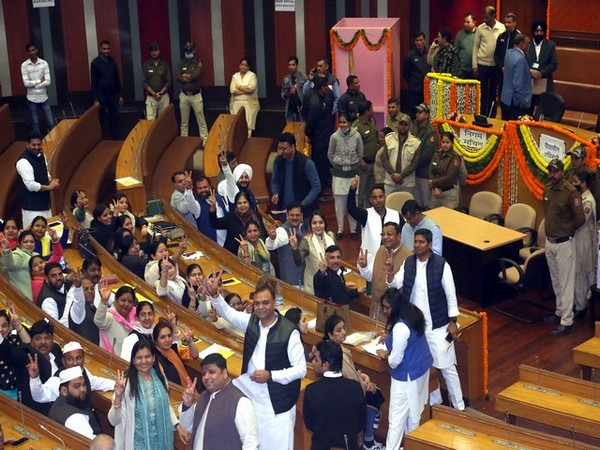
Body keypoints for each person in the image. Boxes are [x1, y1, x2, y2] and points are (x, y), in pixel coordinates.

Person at [207, 274, 306, 450]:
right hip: (252, 395)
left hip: (278, 403)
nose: (261, 307)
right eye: (257, 303)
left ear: (274, 303)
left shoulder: (289, 332)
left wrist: (271, 375)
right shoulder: (252, 321)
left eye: (265, 303)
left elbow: (300, 369)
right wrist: (215, 295)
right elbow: (230, 314)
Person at [387, 229, 465, 411]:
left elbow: (451, 294)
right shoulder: (409, 263)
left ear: (430, 245)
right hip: (416, 327)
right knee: (424, 367)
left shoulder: (441, 265)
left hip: (439, 326)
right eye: (415, 241)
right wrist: (390, 272)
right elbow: (395, 284)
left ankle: (459, 407)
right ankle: (435, 404)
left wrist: (453, 321)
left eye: (421, 242)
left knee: (447, 367)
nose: (417, 245)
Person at [379, 288, 433, 449]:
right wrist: (390, 339)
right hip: (421, 371)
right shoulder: (412, 313)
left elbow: (395, 361)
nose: (384, 311)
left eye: (387, 307)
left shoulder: (400, 328)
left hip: (406, 377)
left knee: (396, 420)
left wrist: (386, 355)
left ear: (395, 306)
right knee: (413, 416)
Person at [108, 339, 185, 449]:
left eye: (147, 356)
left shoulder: (160, 377)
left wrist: (178, 426)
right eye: (139, 357)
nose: (144, 361)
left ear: (153, 358)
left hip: (161, 442)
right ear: (133, 360)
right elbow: (113, 421)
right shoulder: (127, 385)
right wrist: (118, 397)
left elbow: (166, 407)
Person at [320, 315, 383, 450]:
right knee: (375, 394)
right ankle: (368, 441)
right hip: (345, 393)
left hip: (348, 386)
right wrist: (365, 385)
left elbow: (352, 371)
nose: (343, 332)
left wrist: (362, 375)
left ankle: (368, 439)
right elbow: (350, 378)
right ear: (330, 335)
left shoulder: (336, 347)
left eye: (343, 328)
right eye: (338, 330)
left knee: (374, 391)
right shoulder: (337, 353)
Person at [179, 353, 259, 449]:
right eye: (203, 374)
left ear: (224, 373)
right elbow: (187, 428)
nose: (206, 377)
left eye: (211, 372)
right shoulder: (203, 396)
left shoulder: (241, 402)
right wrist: (187, 405)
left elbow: (250, 443)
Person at [543, 158, 585, 335]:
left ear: (562, 172)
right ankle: (559, 311)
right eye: (550, 171)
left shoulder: (570, 193)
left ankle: (567, 321)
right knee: (556, 280)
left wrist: (568, 231)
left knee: (566, 283)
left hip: (564, 243)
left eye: (555, 171)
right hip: (550, 242)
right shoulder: (547, 189)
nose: (552, 174)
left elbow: (580, 219)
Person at [303, 340, 365, 450]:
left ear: (325, 365)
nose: (312, 362)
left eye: (316, 359)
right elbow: (361, 423)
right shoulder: (355, 387)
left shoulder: (312, 391)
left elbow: (310, 424)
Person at [0, 319, 62, 415]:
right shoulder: (27, 356)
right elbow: (11, 353)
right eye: (38, 339)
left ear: (53, 339)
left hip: (60, 407)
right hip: (34, 414)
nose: (43, 342)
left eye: (47, 338)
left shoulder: (56, 351)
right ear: (31, 341)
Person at [29, 340, 114, 408]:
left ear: (83, 359)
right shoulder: (57, 380)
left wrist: (116, 385)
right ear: (63, 361)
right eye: (70, 359)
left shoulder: (82, 372)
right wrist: (35, 378)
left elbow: (96, 382)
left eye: (78, 358)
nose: (75, 363)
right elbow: (40, 396)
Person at [358, 222, 412, 317]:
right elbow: (372, 277)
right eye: (383, 234)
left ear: (399, 236)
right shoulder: (381, 250)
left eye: (389, 234)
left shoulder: (408, 256)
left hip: (393, 312)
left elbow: (396, 285)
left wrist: (390, 271)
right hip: (375, 308)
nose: (385, 237)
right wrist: (364, 267)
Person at [347, 179, 403, 269]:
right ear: (370, 200)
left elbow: (403, 236)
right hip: (370, 262)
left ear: (385, 197)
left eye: (380, 197)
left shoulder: (396, 215)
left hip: (394, 259)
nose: (378, 200)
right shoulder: (365, 215)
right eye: (375, 198)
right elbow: (351, 208)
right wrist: (352, 189)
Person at [328, 113, 363, 240]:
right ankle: (340, 228)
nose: (342, 125)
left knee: (353, 201)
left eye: (344, 122)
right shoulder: (334, 137)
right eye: (340, 122)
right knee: (339, 203)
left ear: (350, 123)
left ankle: (353, 229)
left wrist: (353, 165)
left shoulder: (357, 136)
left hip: (353, 174)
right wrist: (338, 166)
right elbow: (330, 154)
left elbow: (360, 153)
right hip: (339, 175)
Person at [270, 133, 321, 216]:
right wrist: (275, 193)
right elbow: (275, 181)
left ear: (293, 147)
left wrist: (303, 204)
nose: (281, 151)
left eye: (284, 149)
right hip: (284, 211)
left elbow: (316, 187)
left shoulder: (306, 163)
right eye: (279, 148)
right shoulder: (278, 161)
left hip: (304, 212)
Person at [16, 131, 59, 227]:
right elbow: (31, 185)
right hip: (31, 209)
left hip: (45, 205)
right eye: (33, 145)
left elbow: (46, 172)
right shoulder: (23, 162)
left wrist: (51, 180)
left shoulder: (42, 156)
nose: (36, 147)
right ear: (27, 144)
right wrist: (50, 187)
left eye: (39, 144)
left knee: (48, 232)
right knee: (33, 233)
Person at [49, 366, 101, 439]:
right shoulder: (76, 418)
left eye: (84, 385)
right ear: (64, 391)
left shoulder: (59, 402)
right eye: (77, 386)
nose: (82, 389)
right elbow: (92, 443)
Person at [303, 76, 335, 198]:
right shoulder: (315, 102)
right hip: (319, 137)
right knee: (319, 166)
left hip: (322, 135)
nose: (328, 88)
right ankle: (318, 192)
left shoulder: (311, 93)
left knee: (321, 164)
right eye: (326, 86)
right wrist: (312, 135)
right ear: (322, 88)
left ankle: (321, 189)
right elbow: (311, 123)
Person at [291, 210, 336, 294]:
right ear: (310, 225)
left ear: (325, 223)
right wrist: (295, 248)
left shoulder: (331, 236)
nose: (318, 226)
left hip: (331, 282)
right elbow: (298, 262)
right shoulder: (306, 240)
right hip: (313, 286)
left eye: (320, 222)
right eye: (314, 223)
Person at [572, 170, 597, 318]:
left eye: (576, 181)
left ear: (583, 183)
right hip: (578, 238)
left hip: (583, 240)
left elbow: (580, 221)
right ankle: (579, 302)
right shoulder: (580, 197)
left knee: (580, 272)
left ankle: (581, 306)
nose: (573, 184)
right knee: (577, 272)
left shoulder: (588, 200)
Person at [472, 6, 506, 117]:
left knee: (493, 93)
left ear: (493, 16)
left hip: (496, 66)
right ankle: (482, 115)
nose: (484, 20)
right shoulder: (480, 28)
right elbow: (475, 47)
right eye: (484, 17)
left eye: (487, 18)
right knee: (482, 93)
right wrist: (474, 65)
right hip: (482, 65)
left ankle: (492, 116)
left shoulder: (502, 28)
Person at [209, 190, 265, 255]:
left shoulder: (256, 216)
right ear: (236, 205)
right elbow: (215, 224)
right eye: (239, 203)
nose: (242, 205)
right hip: (233, 256)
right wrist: (213, 207)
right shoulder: (231, 217)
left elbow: (263, 234)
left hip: (255, 255)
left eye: (245, 202)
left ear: (249, 203)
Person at [265, 202, 306, 287]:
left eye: (297, 215)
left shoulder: (303, 229)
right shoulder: (282, 231)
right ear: (287, 215)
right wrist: (272, 238)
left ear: (302, 216)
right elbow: (270, 246)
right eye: (292, 215)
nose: (294, 218)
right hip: (291, 284)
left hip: (304, 280)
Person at [380, 114, 422, 196]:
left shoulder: (416, 142)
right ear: (397, 125)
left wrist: (401, 175)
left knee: (407, 204)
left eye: (405, 124)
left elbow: (415, 163)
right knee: (389, 203)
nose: (403, 126)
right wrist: (394, 174)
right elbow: (384, 158)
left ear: (409, 126)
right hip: (390, 182)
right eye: (401, 124)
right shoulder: (388, 138)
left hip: (407, 184)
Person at [90, 40, 123, 139]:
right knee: (102, 120)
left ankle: (116, 141)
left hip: (113, 95)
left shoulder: (112, 61)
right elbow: (93, 82)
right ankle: (103, 141)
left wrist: (120, 95)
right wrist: (95, 99)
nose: (106, 51)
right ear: (100, 49)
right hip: (101, 96)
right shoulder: (95, 63)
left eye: (108, 49)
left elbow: (117, 78)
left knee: (114, 119)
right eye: (104, 49)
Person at [177, 41, 208, 142]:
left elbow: (196, 75)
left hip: (196, 95)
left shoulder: (198, 62)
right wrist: (187, 76)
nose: (188, 52)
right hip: (184, 95)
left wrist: (185, 75)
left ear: (193, 50)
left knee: (201, 120)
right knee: (184, 121)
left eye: (190, 51)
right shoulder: (182, 62)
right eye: (187, 51)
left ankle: (205, 141)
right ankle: (184, 141)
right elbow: (178, 76)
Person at [94, 284, 137, 355]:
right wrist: (104, 301)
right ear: (116, 299)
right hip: (110, 360)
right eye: (123, 300)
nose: (126, 304)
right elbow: (98, 321)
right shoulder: (110, 317)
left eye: (130, 301)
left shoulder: (135, 318)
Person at [21, 43, 54, 133]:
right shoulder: (24, 65)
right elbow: (26, 83)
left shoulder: (44, 63)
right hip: (31, 98)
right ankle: (37, 141)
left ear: (36, 50)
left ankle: (55, 140)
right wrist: (39, 81)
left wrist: (33, 85)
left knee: (50, 121)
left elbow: (48, 81)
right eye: (29, 51)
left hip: (44, 97)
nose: (31, 52)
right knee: (35, 123)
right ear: (27, 53)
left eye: (33, 50)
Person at [153, 320, 199, 385]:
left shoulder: (173, 349)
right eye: (163, 337)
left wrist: (190, 341)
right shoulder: (155, 360)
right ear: (156, 341)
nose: (167, 340)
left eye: (169, 336)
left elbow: (195, 355)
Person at [0, 306, 31, 399]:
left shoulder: (13, 339)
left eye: (4, 326)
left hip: (16, 393)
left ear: (9, 327)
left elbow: (29, 348)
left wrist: (17, 325)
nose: (0, 330)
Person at [410, 103, 437, 207]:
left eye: (420, 112)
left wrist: (413, 164)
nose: (417, 114)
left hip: (424, 172)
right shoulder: (413, 127)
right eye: (417, 112)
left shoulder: (431, 132)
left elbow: (427, 154)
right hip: (413, 172)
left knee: (427, 203)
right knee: (416, 202)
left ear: (426, 115)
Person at [1, 230, 42, 299]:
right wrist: (6, 250)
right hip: (22, 299)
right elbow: (9, 265)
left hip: (38, 296)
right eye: (25, 242)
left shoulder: (36, 255)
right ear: (19, 244)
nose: (29, 244)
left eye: (31, 242)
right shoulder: (19, 254)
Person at [500, 33, 532, 120]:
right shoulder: (520, 59)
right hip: (515, 103)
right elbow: (518, 85)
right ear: (521, 44)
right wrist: (522, 103)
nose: (529, 45)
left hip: (505, 98)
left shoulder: (508, 53)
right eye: (528, 43)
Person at [354, 101, 379, 208]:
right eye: (371, 108)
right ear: (367, 111)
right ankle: (360, 213)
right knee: (361, 193)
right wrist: (360, 161)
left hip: (373, 163)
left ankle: (370, 212)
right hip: (363, 165)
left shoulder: (372, 121)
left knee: (371, 192)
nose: (373, 110)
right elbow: (353, 147)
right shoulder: (357, 126)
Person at [428, 131, 462, 209]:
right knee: (432, 214)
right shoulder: (437, 154)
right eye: (443, 142)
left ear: (452, 143)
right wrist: (435, 188)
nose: (445, 145)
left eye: (447, 142)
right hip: (435, 192)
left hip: (448, 195)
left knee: (449, 216)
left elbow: (450, 176)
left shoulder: (455, 158)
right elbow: (430, 171)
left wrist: (433, 182)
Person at [527, 20, 558, 100]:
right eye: (537, 31)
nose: (539, 33)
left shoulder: (550, 45)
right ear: (533, 31)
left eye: (541, 31)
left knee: (544, 105)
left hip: (545, 80)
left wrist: (540, 73)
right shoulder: (527, 44)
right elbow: (522, 62)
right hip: (529, 80)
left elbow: (554, 64)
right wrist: (530, 71)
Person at [230, 57, 260, 137]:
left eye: (245, 65)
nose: (243, 66)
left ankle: (247, 142)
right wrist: (245, 90)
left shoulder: (252, 75)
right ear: (239, 65)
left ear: (248, 67)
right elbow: (232, 90)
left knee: (248, 126)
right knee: (236, 125)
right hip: (236, 103)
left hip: (249, 104)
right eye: (242, 64)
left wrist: (238, 86)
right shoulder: (235, 76)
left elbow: (251, 88)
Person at [403, 31, 430, 115]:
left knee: (427, 112)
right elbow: (405, 73)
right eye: (417, 40)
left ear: (424, 41)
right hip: (415, 91)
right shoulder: (410, 55)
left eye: (420, 40)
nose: (419, 43)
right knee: (414, 113)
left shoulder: (429, 53)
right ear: (414, 42)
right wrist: (413, 83)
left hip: (428, 90)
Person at [142, 42, 171, 119]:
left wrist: (160, 93)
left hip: (163, 97)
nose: (154, 52)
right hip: (151, 97)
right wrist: (154, 94)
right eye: (152, 50)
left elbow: (169, 81)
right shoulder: (146, 65)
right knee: (150, 122)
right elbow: (144, 82)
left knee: (163, 121)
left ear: (159, 51)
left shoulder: (164, 64)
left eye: (155, 50)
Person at [184, 175, 218, 242]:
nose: (203, 190)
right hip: (210, 244)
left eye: (205, 187)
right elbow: (190, 202)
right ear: (196, 190)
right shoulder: (197, 206)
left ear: (210, 186)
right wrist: (188, 189)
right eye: (200, 188)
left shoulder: (220, 198)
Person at [494, 13, 520, 79]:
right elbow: (496, 54)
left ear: (514, 23)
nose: (506, 25)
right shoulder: (501, 36)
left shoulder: (519, 37)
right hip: (501, 71)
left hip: (514, 72)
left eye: (509, 22)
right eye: (505, 22)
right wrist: (502, 67)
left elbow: (520, 56)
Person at [281, 56, 306, 122]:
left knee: (301, 127)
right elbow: (283, 95)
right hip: (290, 110)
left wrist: (305, 105)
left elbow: (308, 94)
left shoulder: (303, 77)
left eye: (293, 65)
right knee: (289, 128)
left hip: (301, 109)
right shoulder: (286, 79)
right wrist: (290, 92)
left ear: (297, 65)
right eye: (289, 65)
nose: (291, 67)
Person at [455, 13, 477, 79]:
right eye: (465, 22)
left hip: (475, 70)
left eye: (468, 22)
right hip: (462, 70)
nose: (465, 24)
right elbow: (455, 52)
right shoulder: (460, 34)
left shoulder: (479, 33)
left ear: (474, 23)